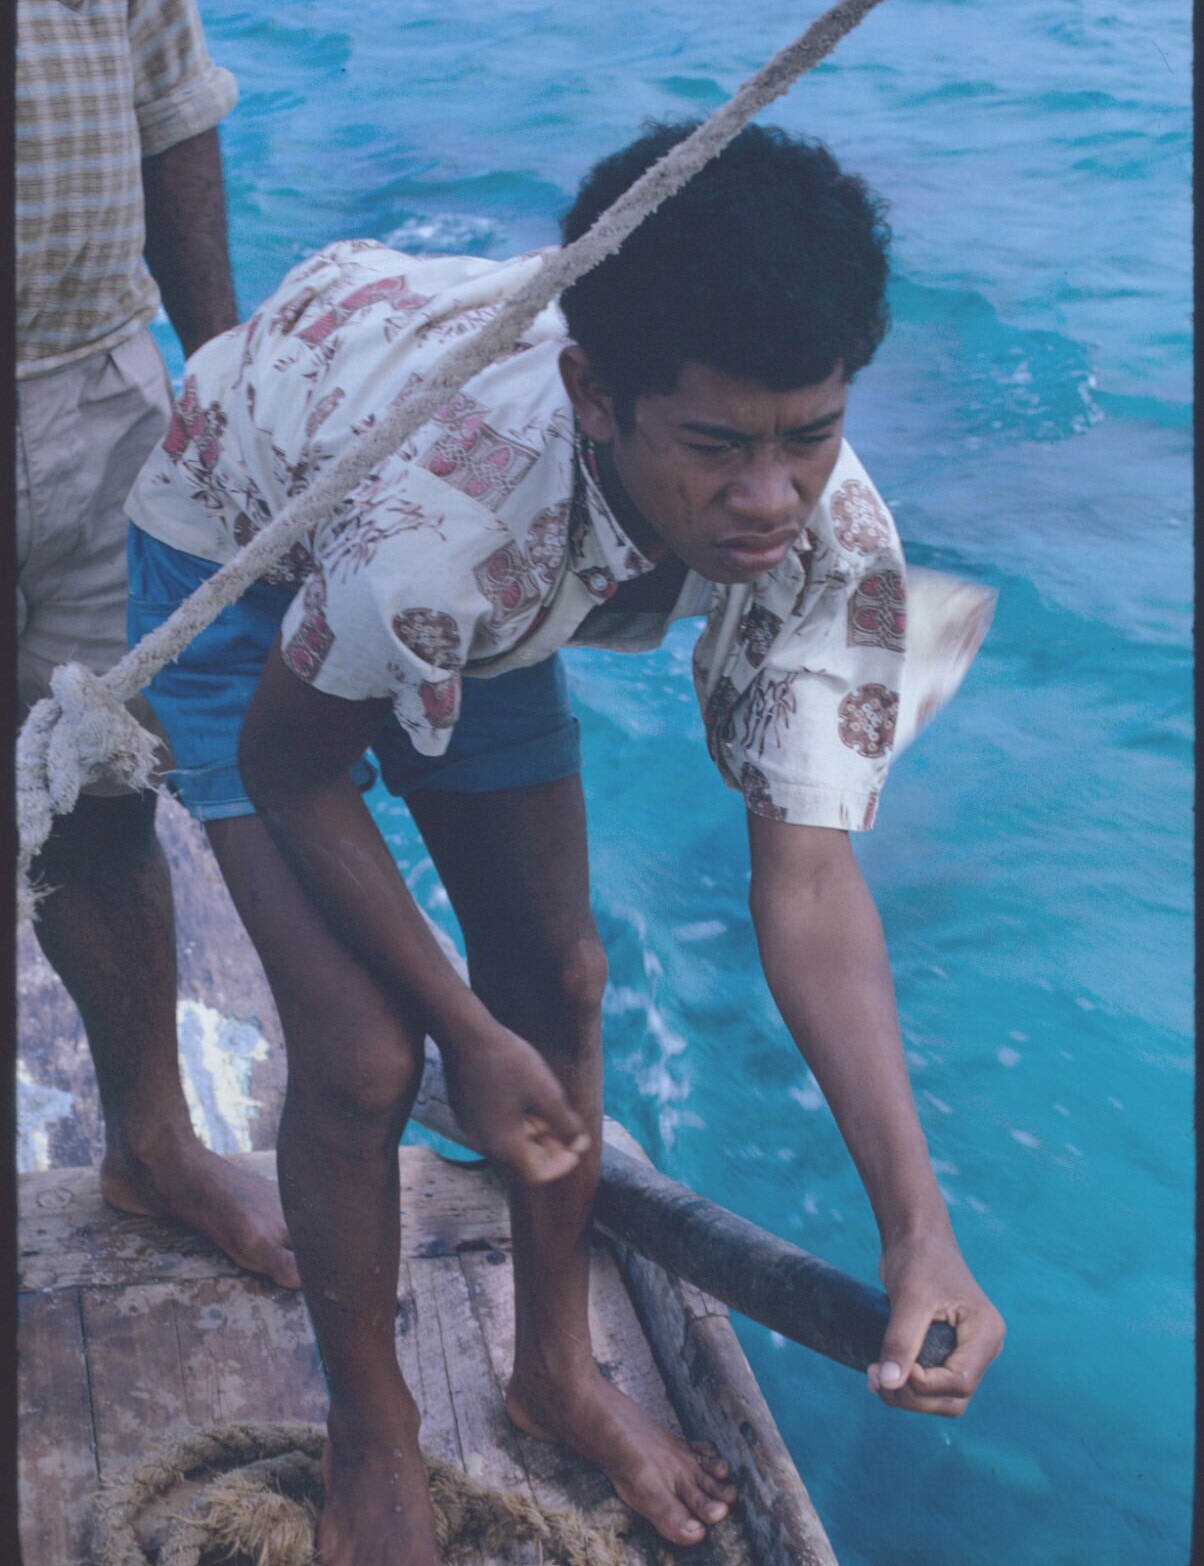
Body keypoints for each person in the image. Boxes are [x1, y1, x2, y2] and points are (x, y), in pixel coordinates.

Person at [124, 121, 1006, 1565]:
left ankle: (554, 1370)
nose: (768, 499)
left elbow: (807, 883)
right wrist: (462, 1032)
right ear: (596, 394)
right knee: (364, 1054)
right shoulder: (445, 528)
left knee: (564, 981)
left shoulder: (830, 535)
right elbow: (293, 771)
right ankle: (373, 1431)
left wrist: (918, 1226)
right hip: (250, 539)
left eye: (808, 436)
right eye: (717, 447)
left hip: (479, 561)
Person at [16, 0, 297, 1286]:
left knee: (105, 783)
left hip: (100, 382)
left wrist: (227, 393)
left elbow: (171, 103)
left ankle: (149, 1142)